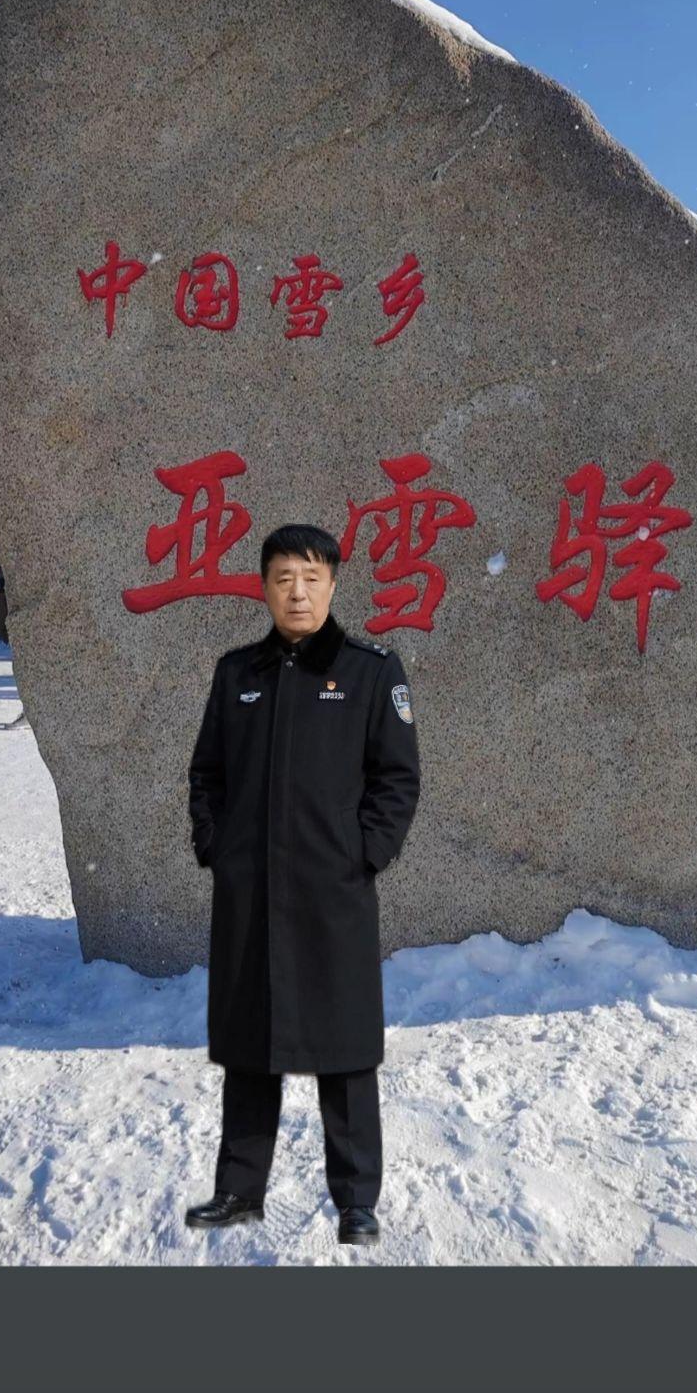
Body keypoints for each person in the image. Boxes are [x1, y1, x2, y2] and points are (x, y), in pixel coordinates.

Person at [184, 522, 421, 1247]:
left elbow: (397, 778)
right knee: (249, 1045)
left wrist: (363, 854)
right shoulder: (238, 674)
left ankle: (356, 1200)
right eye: (284, 578)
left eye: (312, 578)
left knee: (344, 1047)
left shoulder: (370, 671)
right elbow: (207, 773)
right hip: (251, 893)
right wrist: (218, 847)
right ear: (264, 587)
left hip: (332, 892)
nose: (298, 592)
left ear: (334, 585)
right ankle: (238, 1188)